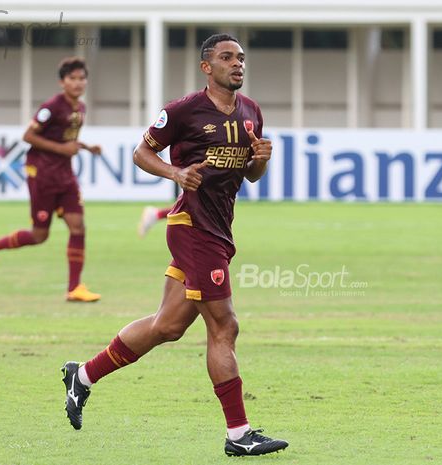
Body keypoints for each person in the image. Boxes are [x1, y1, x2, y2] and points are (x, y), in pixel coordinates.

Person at [61, 34, 289, 456]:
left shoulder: (252, 111)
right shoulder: (183, 111)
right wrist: (175, 174)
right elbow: (140, 153)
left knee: (168, 326)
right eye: (226, 57)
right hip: (192, 228)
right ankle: (238, 435)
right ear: (207, 67)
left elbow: (252, 176)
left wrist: (261, 158)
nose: (237, 64)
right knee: (225, 326)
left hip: (219, 229)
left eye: (240, 58)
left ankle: (84, 376)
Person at [0, 57, 102, 302]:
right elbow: (28, 136)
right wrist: (63, 150)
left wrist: (86, 147)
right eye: (72, 79)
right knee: (39, 235)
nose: (78, 83)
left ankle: (74, 288)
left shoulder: (80, 108)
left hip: (65, 176)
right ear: (62, 82)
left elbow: (66, 140)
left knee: (78, 227)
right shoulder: (52, 107)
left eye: (82, 78)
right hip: (42, 174)